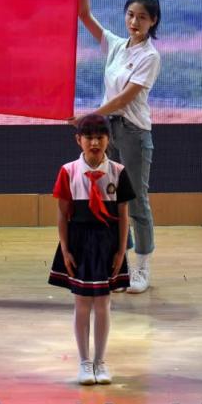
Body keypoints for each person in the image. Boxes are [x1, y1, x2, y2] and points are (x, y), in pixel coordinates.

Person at [75, 0, 161, 293]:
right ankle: (118, 264)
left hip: (133, 133)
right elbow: (84, 15)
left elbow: (125, 98)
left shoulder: (150, 56)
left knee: (136, 200)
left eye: (142, 17)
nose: (134, 22)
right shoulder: (115, 45)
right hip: (108, 131)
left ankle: (142, 267)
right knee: (108, 199)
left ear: (153, 21)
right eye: (130, 15)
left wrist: (89, 117)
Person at [48, 114, 134, 385]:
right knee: (82, 303)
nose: (95, 143)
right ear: (79, 140)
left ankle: (100, 361)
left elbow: (123, 214)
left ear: (109, 139)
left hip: (107, 243)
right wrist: (65, 249)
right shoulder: (68, 171)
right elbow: (63, 214)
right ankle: (84, 362)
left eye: (100, 137)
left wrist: (121, 250)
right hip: (79, 243)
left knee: (103, 303)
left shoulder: (118, 172)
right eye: (89, 137)